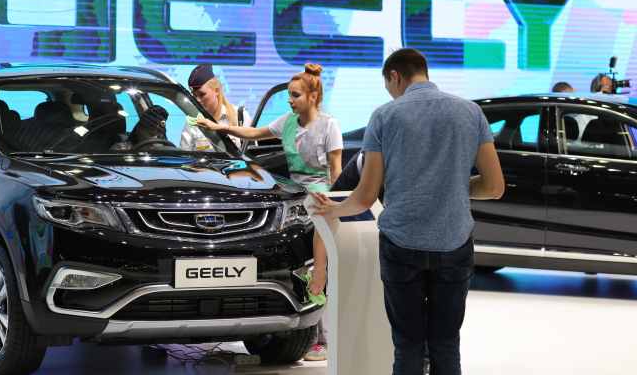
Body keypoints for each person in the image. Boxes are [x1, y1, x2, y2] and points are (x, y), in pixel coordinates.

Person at [310, 48, 504, 375]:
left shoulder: (385, 116)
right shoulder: (471, 113)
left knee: (407, 345)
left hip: (402, 246)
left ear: (395, 76)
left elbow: (365, 196)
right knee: (446, 343)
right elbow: (495, 187)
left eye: (389, 86)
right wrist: (453, 187)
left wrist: (336, 209)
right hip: (454, 244)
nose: (390, 93)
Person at [197, 63, 342, 362]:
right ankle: (307, 333)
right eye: (289, 95)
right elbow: (254, 132)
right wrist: (221, 128)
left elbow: (336, 172)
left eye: (295, 95)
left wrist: (336, 205)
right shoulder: (288, 122)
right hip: (295, 202)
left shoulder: (329, 125)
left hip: (321, 199)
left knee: (319, 270)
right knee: (302, 272)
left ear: (313, 97)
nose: (290, 100)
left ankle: (323, 340)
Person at [180, 64, 248, 151]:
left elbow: (252, 154)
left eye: (202, 94)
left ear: (216, 90)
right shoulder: (193, 122)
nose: (198, 100)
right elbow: (185, 155)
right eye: (194, 95)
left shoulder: (240, 116)